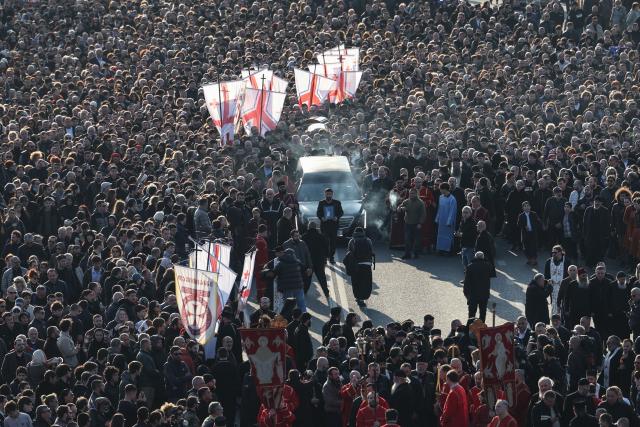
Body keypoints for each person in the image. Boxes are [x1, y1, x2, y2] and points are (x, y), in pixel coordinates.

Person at [346, 227, 374, 307]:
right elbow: (371, 251)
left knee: (356, 282)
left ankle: (358, 297)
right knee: (365, 283)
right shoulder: (368, 240)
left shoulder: (352, 240)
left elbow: (349, 252)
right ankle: (362, 298)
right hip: (367, 265)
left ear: (354, 232)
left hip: (356, 265)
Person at [316, 188, 343, 265]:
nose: (329, 195)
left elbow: (341, 212)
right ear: (325, 194)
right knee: (325, 242)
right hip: (324, 226)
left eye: (330, 194)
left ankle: (331, 257)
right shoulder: (321, 203)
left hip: (334, 226)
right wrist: (321, 218)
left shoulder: (337, 203)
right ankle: (325, 257)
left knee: (333, 243)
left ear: (332, 194)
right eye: (327, 194)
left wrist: (337, 217)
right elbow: (318, 213)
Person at [463, 252, 492, 322]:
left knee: (471, 314)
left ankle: (470, 328)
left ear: (475, 257)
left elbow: (466, 282)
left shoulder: (470, 266)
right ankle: (482, 328)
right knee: (483, 313)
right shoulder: (488, 265)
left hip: (473, 294)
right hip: (484, 294)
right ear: (483, 257)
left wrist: (466, 293)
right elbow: (491, 275)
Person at [398, 188, 426, 260]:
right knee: (407, 239)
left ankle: (416, 253)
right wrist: (400, 208)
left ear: (416, 194)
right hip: (408, 223)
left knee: (416, 240)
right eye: (410, 193)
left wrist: (420, 223)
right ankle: (407, 254)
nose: (411, 195)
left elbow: (423, 214)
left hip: (416, 224)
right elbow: (399, 207)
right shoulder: (406, 201)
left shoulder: (420, 202)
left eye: (413, 193)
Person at [517, 201, 543, 266]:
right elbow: (518, 224)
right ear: (523, 208)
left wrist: (535, 226)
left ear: (530, 207)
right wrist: (524, 226)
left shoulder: (534, 214)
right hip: (525, 234)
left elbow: (539, 222)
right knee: (526, 247)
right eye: (525, 206)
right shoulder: (521, 216)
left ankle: (534, 259)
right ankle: (529, 259)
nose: (527, 207)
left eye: (528, 206)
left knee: (534, 247)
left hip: (533, 233)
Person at [435, 183, 457, 255]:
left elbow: (452, 211)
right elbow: (439, 208)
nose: (440, 190)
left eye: (441, 189)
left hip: (448, 221)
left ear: (444, 189)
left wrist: (449, 221)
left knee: (448, 236)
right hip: (441, 220)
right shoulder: (440, 197)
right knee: (440, 235)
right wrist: (437, 218)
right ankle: (441, 249)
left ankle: (448, 250)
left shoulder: (452, 199)